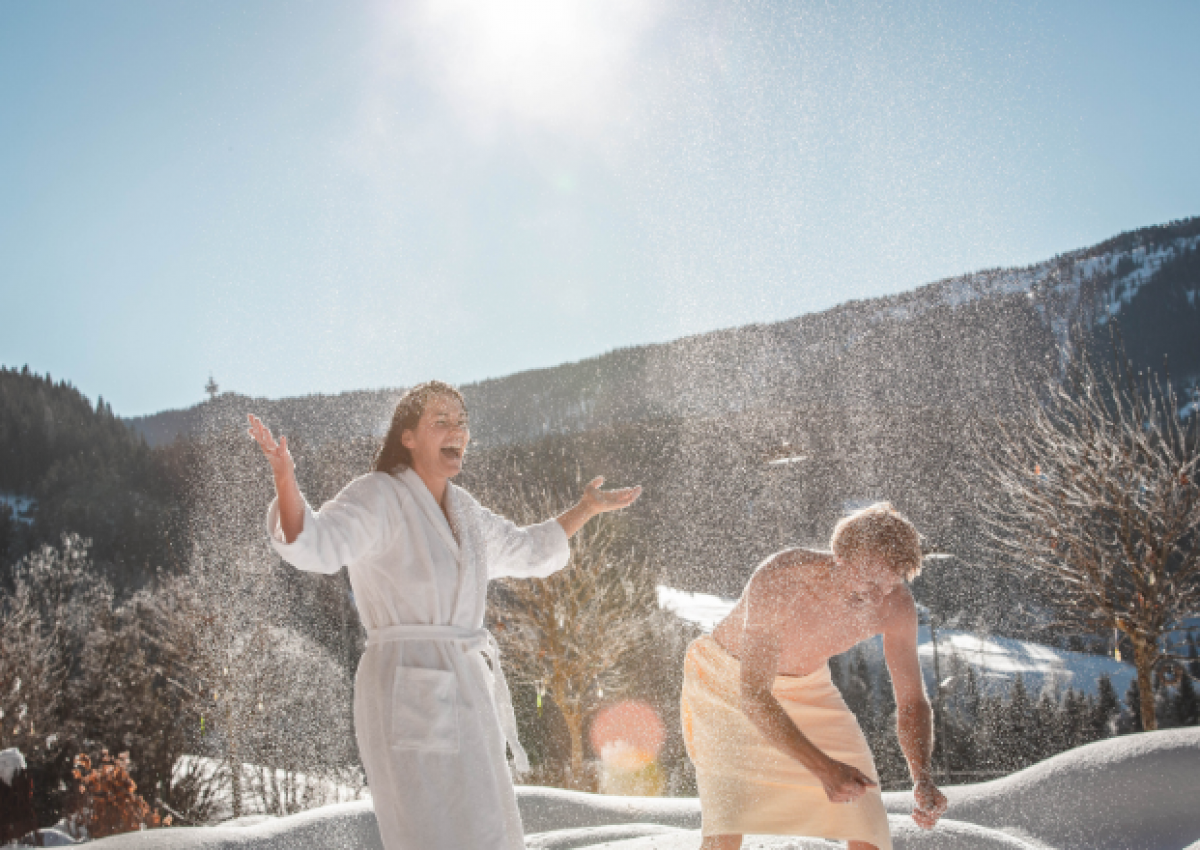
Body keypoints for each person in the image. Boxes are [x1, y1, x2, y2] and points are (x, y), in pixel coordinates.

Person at [247, 381, 640, 850]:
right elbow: (314, 543)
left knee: (488, 828)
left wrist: (585, 509)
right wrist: (285, 478)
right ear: (407, 436)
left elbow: (530, 549)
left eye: (462, 422)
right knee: (428, 833)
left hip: (466, 680)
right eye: (441, 421)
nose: (457, 431)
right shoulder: (379, 496)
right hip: (404, 683)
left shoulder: (466, 511)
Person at [681, 502, 948, 850]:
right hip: (726, 684)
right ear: (840, 555)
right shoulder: (782, 578)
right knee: (727, 822)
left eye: (888, 584)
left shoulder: (895, 605)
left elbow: (912, 702)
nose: (875, 596)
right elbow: (755, 697)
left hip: (809, 688)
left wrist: (922, 778)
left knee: (867, 820)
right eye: (868, 581)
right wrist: (823, 768)